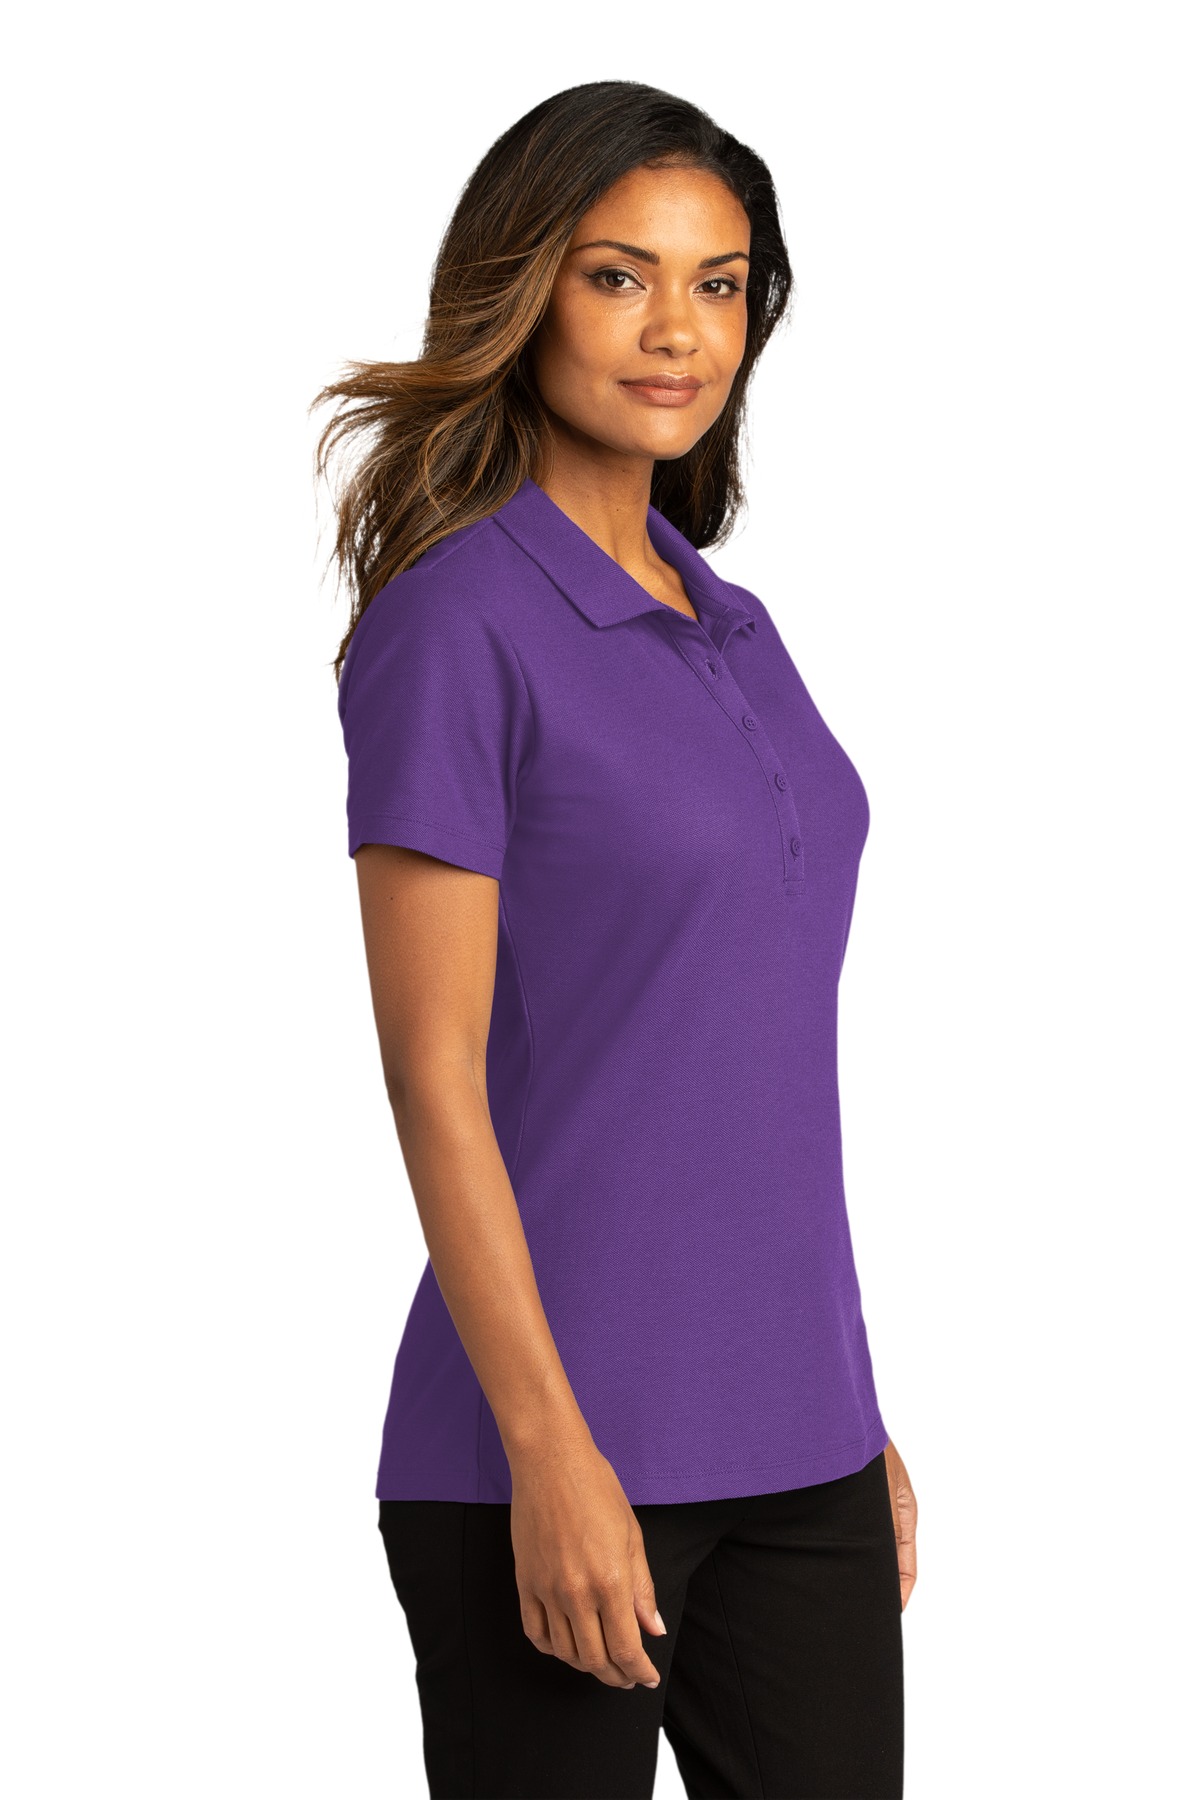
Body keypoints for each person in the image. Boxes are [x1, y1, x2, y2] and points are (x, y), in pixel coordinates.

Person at [313, 79, 917, 1800]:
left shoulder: (734, 622)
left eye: (719, 285)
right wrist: (548, 1453)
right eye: (618, 276)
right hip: (553, 1450)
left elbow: (750, 1066)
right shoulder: (455, 624)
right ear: (523, 291)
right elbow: (435, 1075)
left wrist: (852, 1406)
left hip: (799, 1441)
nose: (677, 331)